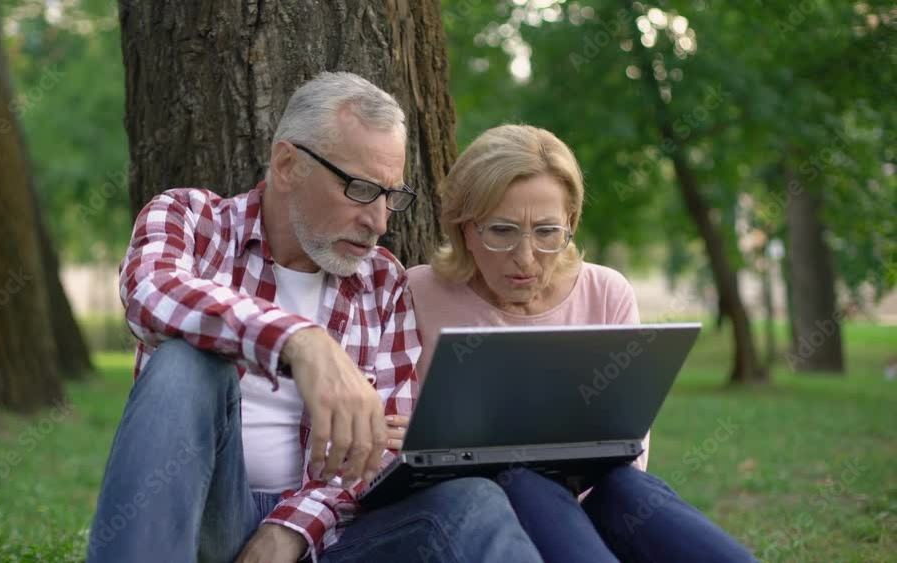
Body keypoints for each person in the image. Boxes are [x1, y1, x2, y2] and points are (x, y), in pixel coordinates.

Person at [86, 74, 542, 563]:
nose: (380, 222)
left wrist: (291, 529)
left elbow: (382, 448)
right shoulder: (190, 218)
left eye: (391, 195)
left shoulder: (384, 280)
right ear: (288, 165)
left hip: (325, 538)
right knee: (186, 363)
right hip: (200, 518)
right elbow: (148, 293)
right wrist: (301, 343)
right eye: (362, 189)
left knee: (473, 501)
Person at [393, 124, 756, 563]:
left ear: (571, 224)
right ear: (465, 228)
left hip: (595, 501)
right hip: (478, 520)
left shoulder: (606, 292)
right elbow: (399, 444)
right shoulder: (416, 294)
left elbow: (629, 443)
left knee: (626, 485)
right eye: (502, 231)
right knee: (521, 478)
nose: (525, 258)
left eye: (547, 232)